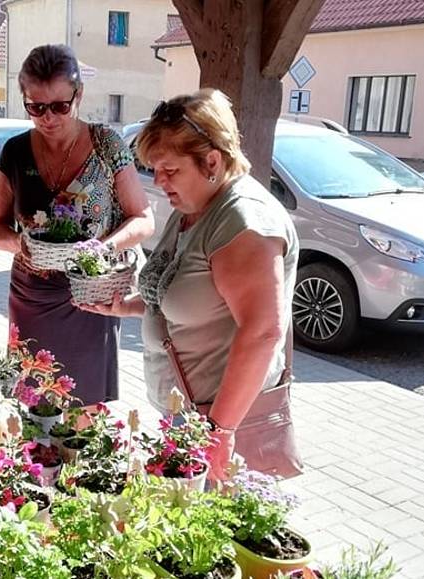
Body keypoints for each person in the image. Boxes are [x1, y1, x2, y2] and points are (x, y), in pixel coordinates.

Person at [80, 89, 299, 480]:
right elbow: (188, 298)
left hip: (221, 420)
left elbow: (263, 332)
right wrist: (126, 306)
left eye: (170, 170)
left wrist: (221, 431)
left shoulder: (243, 221)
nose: (158, 180)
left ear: (211, 160)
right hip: (189, 412)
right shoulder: (195, 207)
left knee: (217, 532)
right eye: (154, 169)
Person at [0, 44, 153, 405]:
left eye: (61, 105)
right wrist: (21, 245)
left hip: (91, 295)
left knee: (85, 404)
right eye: (36, 107)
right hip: (33, 295)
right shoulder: (14, 151)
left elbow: (143, 219)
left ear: (79, 95)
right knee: (30, 402)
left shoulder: (106, 144)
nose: (49, 117)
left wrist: (104, 246)